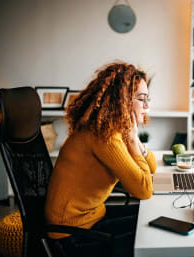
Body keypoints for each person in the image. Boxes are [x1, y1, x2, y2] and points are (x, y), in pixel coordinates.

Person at [45, 62, 157, 257]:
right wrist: (131, 138)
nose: (147, 106)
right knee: (152, 235)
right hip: (70, 236)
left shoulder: (111, 129)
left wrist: (134, 137)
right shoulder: (104, 136)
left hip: (91, 217)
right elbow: (145, 190)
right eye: (141, 98)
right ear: (122, 101)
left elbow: (152, 167)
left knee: (153, 219)